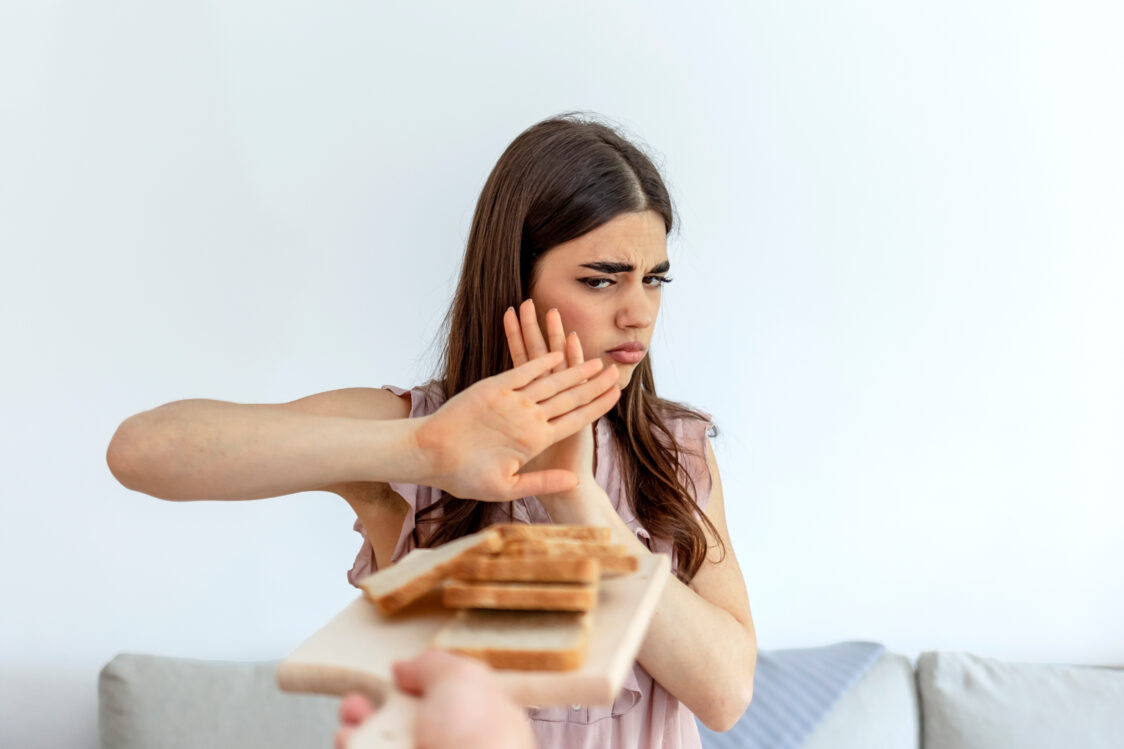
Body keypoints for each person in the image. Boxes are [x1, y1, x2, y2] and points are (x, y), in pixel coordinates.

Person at [107, 113, 756, 748]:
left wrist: (576, 499)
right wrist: (426, 449)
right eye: (600, 279)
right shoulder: (420, 429)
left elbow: (725, 695)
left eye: (654, 279)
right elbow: (143, 450)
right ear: (515, 279)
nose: (639, 311)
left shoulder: (674, 448)